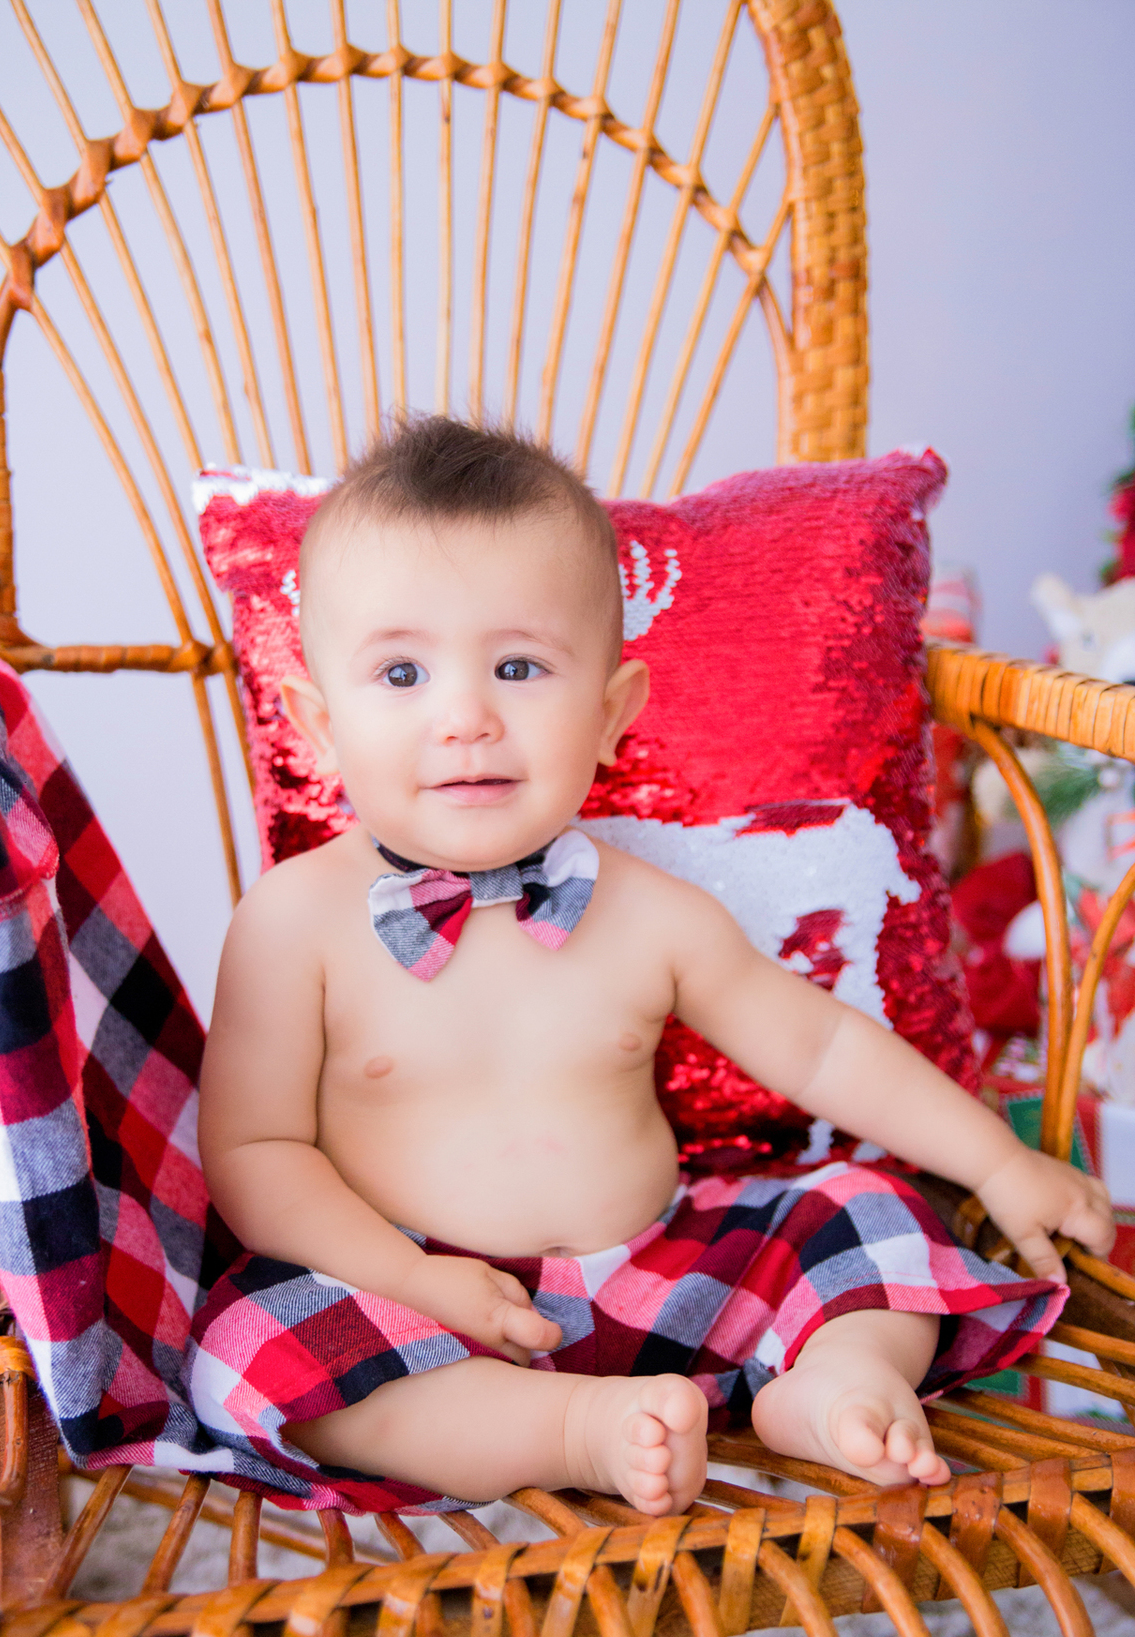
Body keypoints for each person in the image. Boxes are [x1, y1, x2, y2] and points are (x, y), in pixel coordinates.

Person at [191, 416, 1113, 1517]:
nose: (466, 719)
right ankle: (572, 1431)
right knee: (251, 1353)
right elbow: (256, 1151)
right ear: (319, 725)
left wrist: (998, 1164)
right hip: (418, 1299)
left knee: (870, 1212)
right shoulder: (294, 925)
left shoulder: (650, 913)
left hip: (670, 1274)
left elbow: (818, 1047)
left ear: (613, 713)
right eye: (400, 672)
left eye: (519, 666)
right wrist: (413, 1280)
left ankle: (831, 1386)